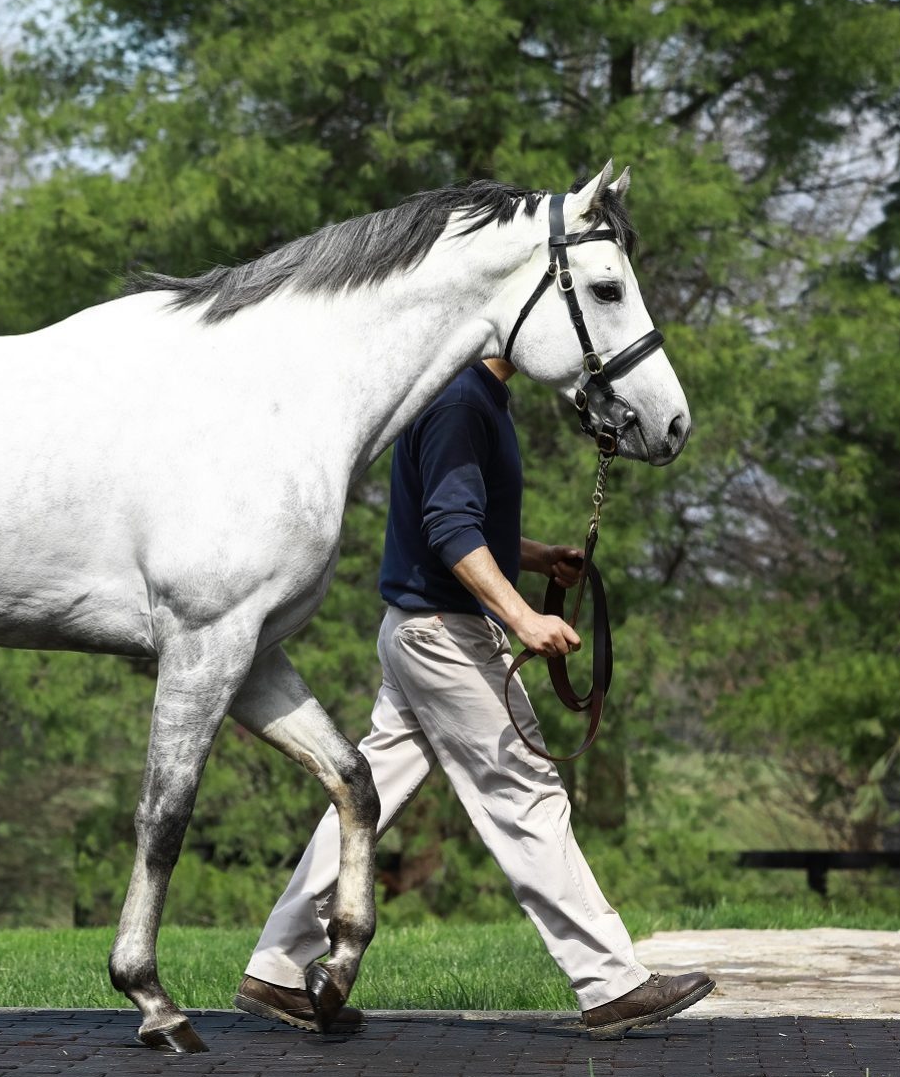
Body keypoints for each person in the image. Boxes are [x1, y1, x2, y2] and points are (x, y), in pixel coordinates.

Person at [235, 357, 713, 1038]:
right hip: (445, 636)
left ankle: (280, 965)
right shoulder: (462, 400)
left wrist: (539, 556)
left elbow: (462, 528)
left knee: (363, 803)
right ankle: (611, 982)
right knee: (526, 795)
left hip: (417, 627)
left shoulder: (465, 391)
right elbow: (451, 531)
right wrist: (525, 618)